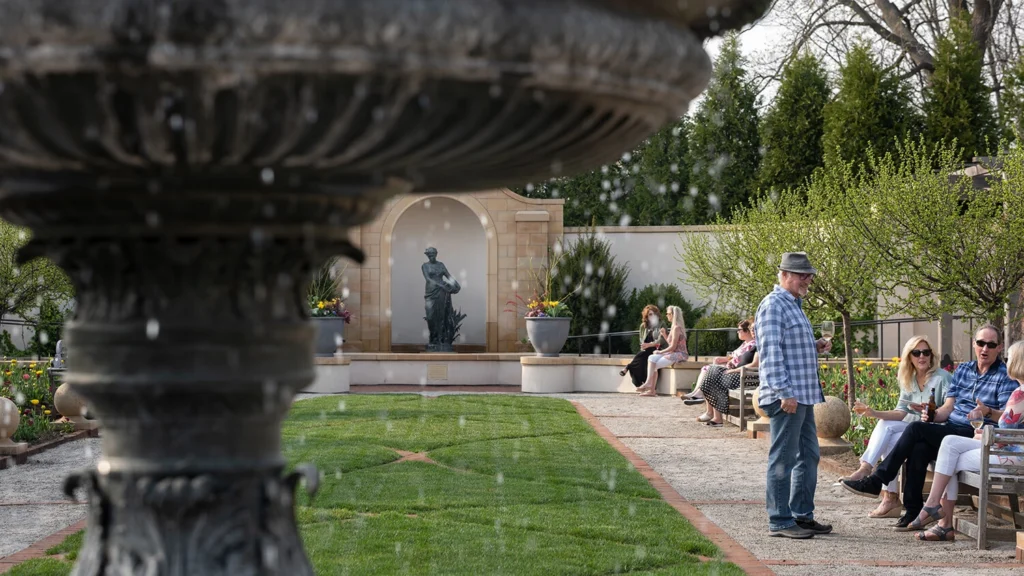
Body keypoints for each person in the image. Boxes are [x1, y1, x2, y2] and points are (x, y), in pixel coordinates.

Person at [841, 324, 1018, 531]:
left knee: (916, 429)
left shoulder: (1004, 376)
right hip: (953, 427)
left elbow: (1007, 418)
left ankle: (877, 479)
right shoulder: (964, 370)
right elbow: (948, 408)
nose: (985, 349)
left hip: (977, 434)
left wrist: (987, 411)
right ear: (974, 344)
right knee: (919, 448)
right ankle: (913, 509)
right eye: (980, 343)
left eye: (991, 344)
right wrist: (932, 414)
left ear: (1000, 347)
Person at [908, 340, 1024, 542]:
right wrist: (987, 430)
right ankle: (936, 509)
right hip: (1006, 448)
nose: (1007, 362)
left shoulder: (1020, 393)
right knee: (950, 443)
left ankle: (942, 522)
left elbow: (1006, 433)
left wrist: (986, 434)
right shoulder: (1020, 392)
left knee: (949, 459)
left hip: (1011, 456)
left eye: (1010, 358)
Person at [756, 252, 833, 539]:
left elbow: (789, 346)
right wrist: (784, 392)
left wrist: (815, 345)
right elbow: (771, 353)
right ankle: (779, 520)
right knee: (783, 459)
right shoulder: (774, 305)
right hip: (787, 397)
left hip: (802, 395)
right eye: (803, 275)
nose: (809, 279)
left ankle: (801, 515)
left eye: (809, 275)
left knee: (809, 455)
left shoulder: (794, 304)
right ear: (786, 274)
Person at [843, 336, 952, 519]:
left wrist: (930, 411)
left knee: (892, 437)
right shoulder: (908, 378)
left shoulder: (942, 378)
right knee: (886, 428)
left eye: (926, 352)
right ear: (909, 357)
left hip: (933, 431)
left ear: (932, 355)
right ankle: (882, 487)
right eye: (916, 353)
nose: (921, 357)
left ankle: (885, 493)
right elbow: (900, 412)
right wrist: (875, 412)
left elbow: (950, 408)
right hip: (911, 429)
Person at [688, 319, 759, 427]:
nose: (752, 331)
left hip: (747, 377)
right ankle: (714, 416)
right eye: (751, 329)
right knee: (713, 372)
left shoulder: (759, 344)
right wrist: (731, 364)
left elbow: (755, 364)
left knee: (714, 374)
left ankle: (703, 398)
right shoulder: (751, 344)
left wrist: (734, 369)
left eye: (754, 329)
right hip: (739, 374)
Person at [682, 317, 757, 403]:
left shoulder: (752, 345)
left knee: (710, 370)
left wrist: (728, 362)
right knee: (707, 369)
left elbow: (741, 360)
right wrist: (723, 359)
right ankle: (696, 393)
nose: (737, 331)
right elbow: (733, 356)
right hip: (733, 369)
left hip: (736, 371)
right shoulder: (745, 344)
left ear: (747, 331)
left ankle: (698, 395)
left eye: (739, 329)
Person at [636, 305, 688, 397]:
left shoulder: (676, 328)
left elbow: (673, 347)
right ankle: (650, 386)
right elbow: (670, 343)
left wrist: (660, 352)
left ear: (673, 315)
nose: (667, 315)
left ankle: (651, 389)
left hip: (680, 354)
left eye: (668, 314)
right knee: (652, 358)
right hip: (673, 352)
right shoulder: (673, 327)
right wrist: (664, 335)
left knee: (655, 364)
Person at [620, 305, 669, 387]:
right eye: (649, 315)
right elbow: (641, 338)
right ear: (646, 316)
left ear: (657, 314)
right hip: (646, 349)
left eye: (653, 314)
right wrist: (643, 345)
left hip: (658, 348)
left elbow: (662, 340)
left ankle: (628, 367)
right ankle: (639, 382)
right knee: (640, 360)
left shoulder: (661, 324)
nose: (651, 316)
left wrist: (649, 345)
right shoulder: (643, 326)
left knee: (642, 355)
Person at [421, 247, 460, 351]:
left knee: (441, 316)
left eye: (433, 253)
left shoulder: (441, 265)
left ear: (436, 254)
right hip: (431, 292)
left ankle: (440, 339)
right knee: (430, 317)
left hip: (442, 293)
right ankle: (432, 338)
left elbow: (448, 276)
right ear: (427, 255)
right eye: (429, 254)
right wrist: (441, 285)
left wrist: (456, 284)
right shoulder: (425, 266)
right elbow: (428, 279)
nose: (431, 255)